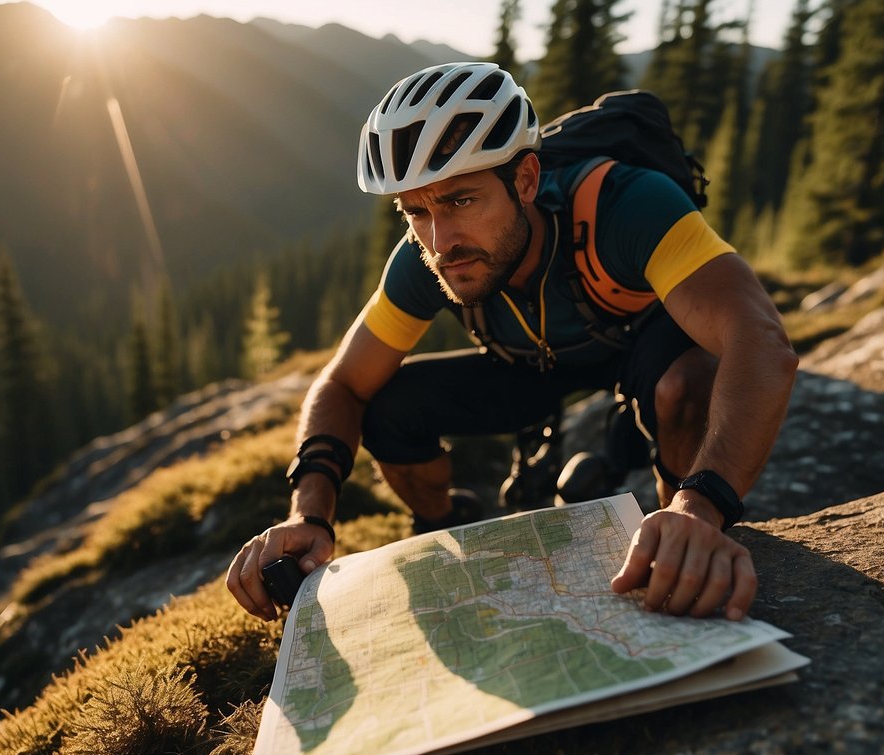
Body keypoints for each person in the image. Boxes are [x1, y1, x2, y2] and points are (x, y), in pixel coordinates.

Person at [227, 63, 798, 623]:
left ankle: (682, 529)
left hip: (639, 347)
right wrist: (310, 514)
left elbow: (758, 338)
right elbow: (344, 383)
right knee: (388, 407)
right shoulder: (423, 259)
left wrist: (702, 506)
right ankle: (441, 525)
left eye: (460, 200)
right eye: (415, 210)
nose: (440, 240)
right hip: (529, 367)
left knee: (687, 386)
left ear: (525, 179)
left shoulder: (625, 204)